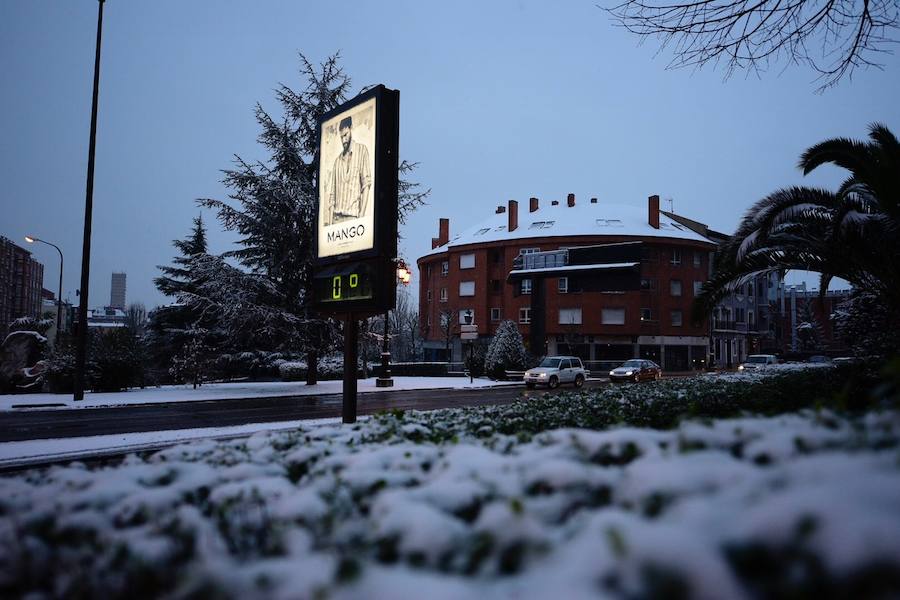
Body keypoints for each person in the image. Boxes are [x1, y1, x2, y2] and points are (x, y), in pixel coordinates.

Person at [324, 116, 371, 226]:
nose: (343, 140)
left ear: (351, 129)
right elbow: (332, 196)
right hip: (336, 218)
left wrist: (361, 218)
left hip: (353, 218)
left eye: (345, 135)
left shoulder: (362, 150)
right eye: (341, 137)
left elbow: (366, 185)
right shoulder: (337, 162)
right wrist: (330, 225)